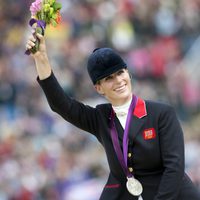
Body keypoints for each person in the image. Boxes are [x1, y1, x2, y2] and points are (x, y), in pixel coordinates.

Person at [25, 32, 200, 200]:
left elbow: (174, 168)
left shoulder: (162, 114)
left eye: (120, 73)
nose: (118, 81)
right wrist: (42, 59)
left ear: (128, 73)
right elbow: (62, 105)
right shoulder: (100, 118)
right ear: (98, 88)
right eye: (109, 78)